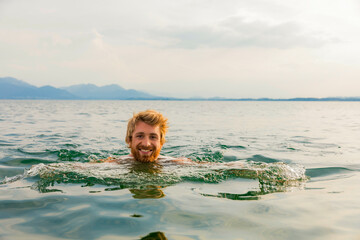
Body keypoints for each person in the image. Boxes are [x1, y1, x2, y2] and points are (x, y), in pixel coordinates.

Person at [103, 109, 185, 163]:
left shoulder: (176, 163)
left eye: (153, 137)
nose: (146, 144)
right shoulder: (113, 164)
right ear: (129, 140)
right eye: (140, 136)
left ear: (161, 142)